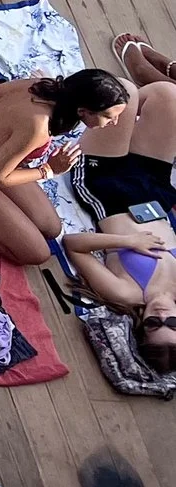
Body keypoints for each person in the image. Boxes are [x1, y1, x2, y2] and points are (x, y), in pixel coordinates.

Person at [0, 68, 128, 268]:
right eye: (109, 116)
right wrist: (49, 169)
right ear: (83, 110)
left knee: (52, 227)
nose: (114, 122)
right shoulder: (38, 127)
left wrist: (1, 136)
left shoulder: (44, 87)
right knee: (38, 254)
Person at [64, 45, 176, 369]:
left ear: (141, 327)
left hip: (108, 189)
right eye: (173, 325)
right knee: (170, 98)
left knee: (122, 93)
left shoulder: (127, 294)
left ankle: (120, 114)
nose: (164, 318)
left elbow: (75, 246)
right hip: (154, 192)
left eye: (154, 326)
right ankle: (138, 108)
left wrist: (129, 242)